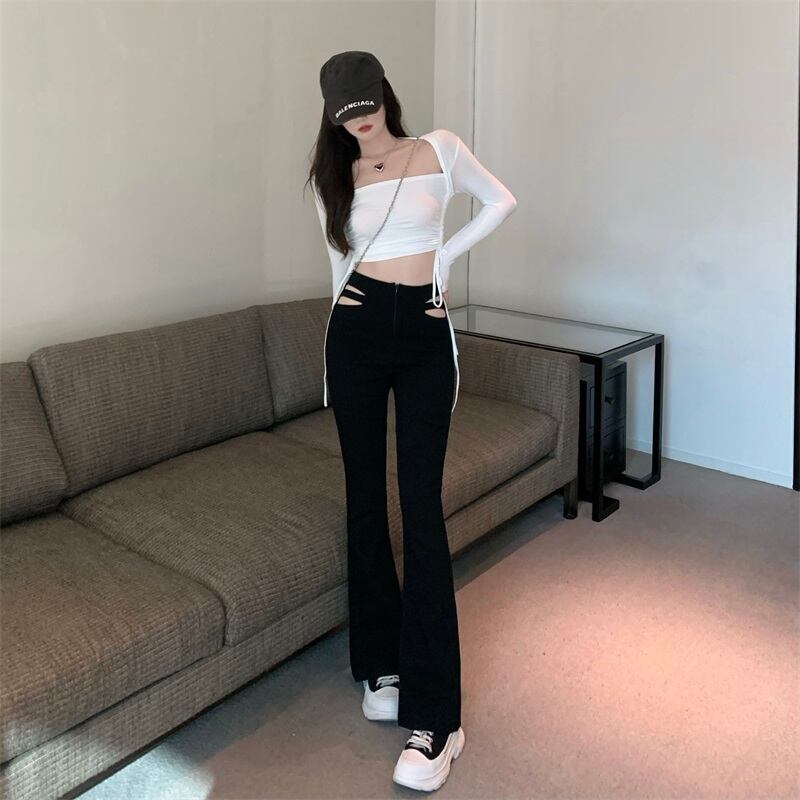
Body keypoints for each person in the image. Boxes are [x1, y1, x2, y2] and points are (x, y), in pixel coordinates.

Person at [306, 50, 517, 793]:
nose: (358, 122)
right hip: (355, 332)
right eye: (344, 114)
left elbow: (501, 201)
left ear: (383, 94)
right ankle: (381, 665)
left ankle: (437, 719)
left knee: (421, 509)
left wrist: (445, 259)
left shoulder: (440, 148)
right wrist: (336, 346)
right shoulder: (334, 176)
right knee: (364, 500)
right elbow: (337, 268)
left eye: (365, 105)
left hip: (425, 334)